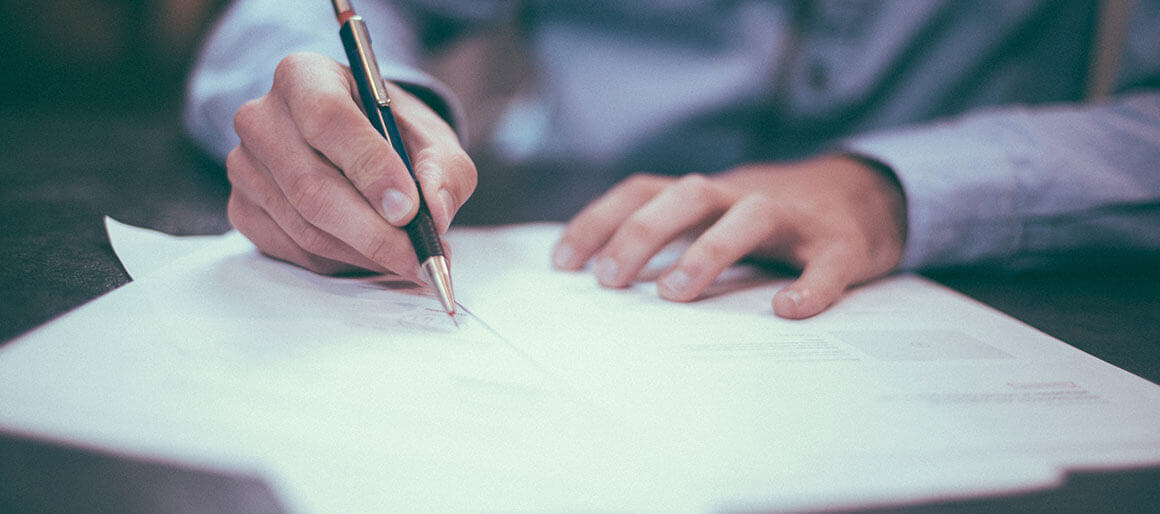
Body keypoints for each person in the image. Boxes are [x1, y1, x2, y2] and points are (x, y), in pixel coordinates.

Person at [185, 0, 1160, 319]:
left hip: (973, 277)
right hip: (563, 241)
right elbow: (302, 12)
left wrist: (892, 188)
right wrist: (358, 111)